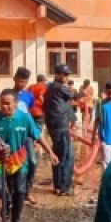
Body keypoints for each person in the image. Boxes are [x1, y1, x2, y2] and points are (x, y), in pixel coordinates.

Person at [0, 91, 59, 222]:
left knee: (20, 191)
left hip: (19, 160)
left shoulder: (25, 118)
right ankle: (7, 202)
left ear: (15, 104)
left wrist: (51, 153)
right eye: (2, 104)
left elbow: (38, 136)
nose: (4, 107)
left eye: (8, 104)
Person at [44, 65, 77, 196]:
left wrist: (72, 120)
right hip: (60, 126)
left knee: (58, 155)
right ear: (57, 74)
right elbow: (73, 94)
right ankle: (64, 187)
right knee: (67, 157)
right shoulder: (58, 87)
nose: (66, 77)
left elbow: (67, 104)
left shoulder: (52, 88)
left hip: (56, 125)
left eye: (67, 75)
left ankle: (58, 185)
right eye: (64, 74)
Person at [11, 67, 39, 204]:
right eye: (20, 81)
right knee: (12, 162)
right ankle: (12, 192)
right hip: (12, 134)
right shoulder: (8, 94)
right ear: (14, 79)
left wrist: (34, 134)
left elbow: (29, 112)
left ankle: (27, 191)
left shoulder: (29, 96)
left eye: (25, 82)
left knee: (32, 162)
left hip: (26, 135)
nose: (22, 84)